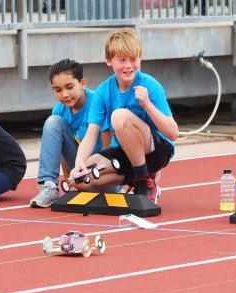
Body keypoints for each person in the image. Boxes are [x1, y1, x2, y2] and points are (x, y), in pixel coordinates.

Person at [70, 27, 178, 204]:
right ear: (108, 61)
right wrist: (79, 162)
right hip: (124, 151)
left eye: (133, 59)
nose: (128, 66)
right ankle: (136, 176)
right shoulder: (103, 91)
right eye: (122, 60)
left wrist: (147, 105)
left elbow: (173, 133)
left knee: (119, 116)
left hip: (157, 150)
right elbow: (91, 134)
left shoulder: (151, 86)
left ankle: (144, 181)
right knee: (81, 180)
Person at [29, 58, 112, 208]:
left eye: (69, 87)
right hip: (79, 171)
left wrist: (98, 173)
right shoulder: (59, 110)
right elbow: (62, 152)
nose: (65, 94)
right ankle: (48, 186)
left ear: (83, 83)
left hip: (102, 171)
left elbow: (108, 149)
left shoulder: (97, 102)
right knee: (53, 122)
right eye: (58, 90)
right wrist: (69, 183)